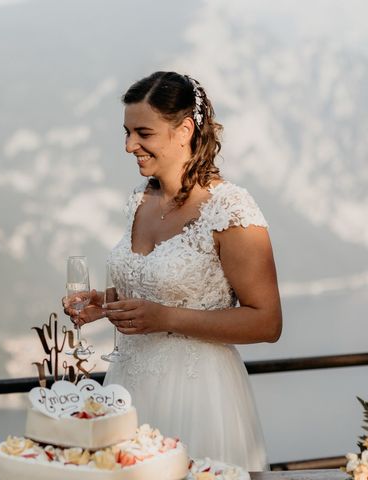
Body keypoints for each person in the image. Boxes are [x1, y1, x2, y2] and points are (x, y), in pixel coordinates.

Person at [64, 71, 281, 471]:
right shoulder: (139, 200)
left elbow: (267, 323)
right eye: (127, 132)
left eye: (143, 133)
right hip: (127, 389)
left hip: (198, 395)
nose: (130, 146)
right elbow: (152, 287)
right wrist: (106, 304)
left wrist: (165, 318)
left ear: (184, 130)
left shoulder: (229, 210)